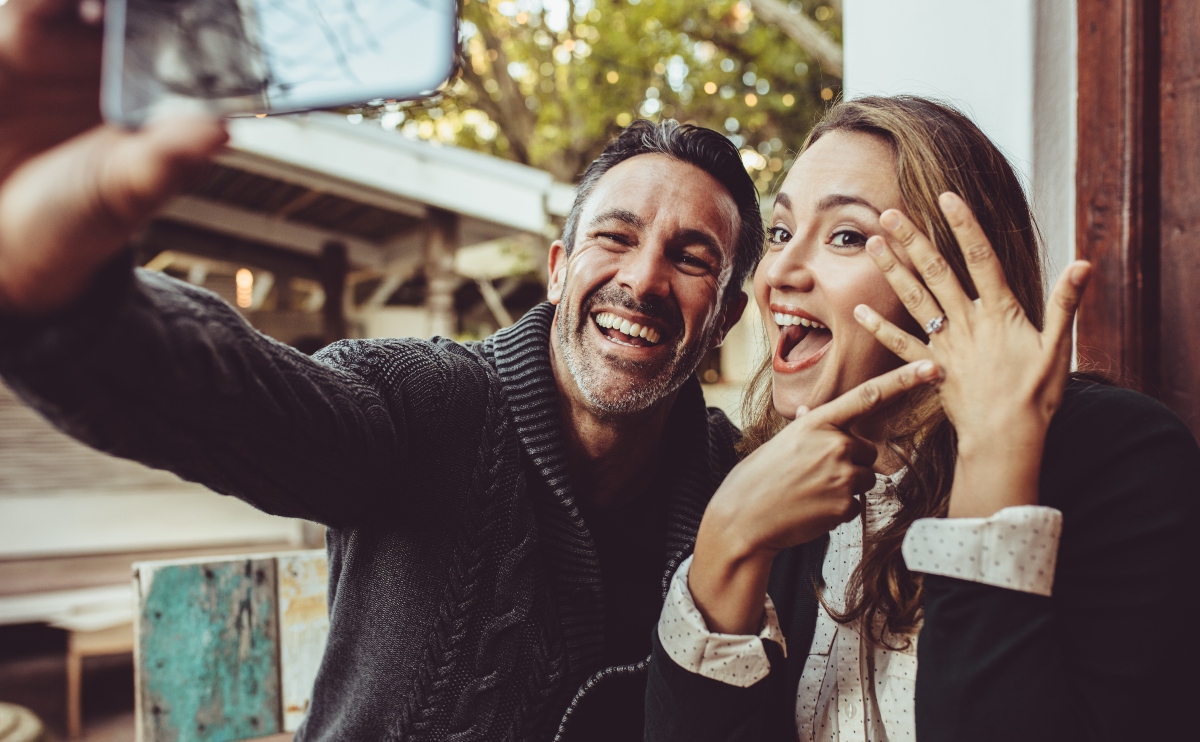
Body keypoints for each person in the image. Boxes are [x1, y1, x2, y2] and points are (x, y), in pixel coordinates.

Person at [0, 2, 945, 738]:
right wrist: (59, 292)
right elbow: (241, 401)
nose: (643, 279)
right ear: (559, 268)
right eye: (614, 238)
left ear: (729, 313)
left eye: (693, 258)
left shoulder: (737, 483)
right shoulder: (423, 403)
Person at [645, 95, 1200, 742]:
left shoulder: (1122, 456)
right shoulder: (778, 481)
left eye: (846, 236)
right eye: (780, 234)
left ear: (953, 277)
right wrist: (729, 540)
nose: (778, 274)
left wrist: (996, 455)